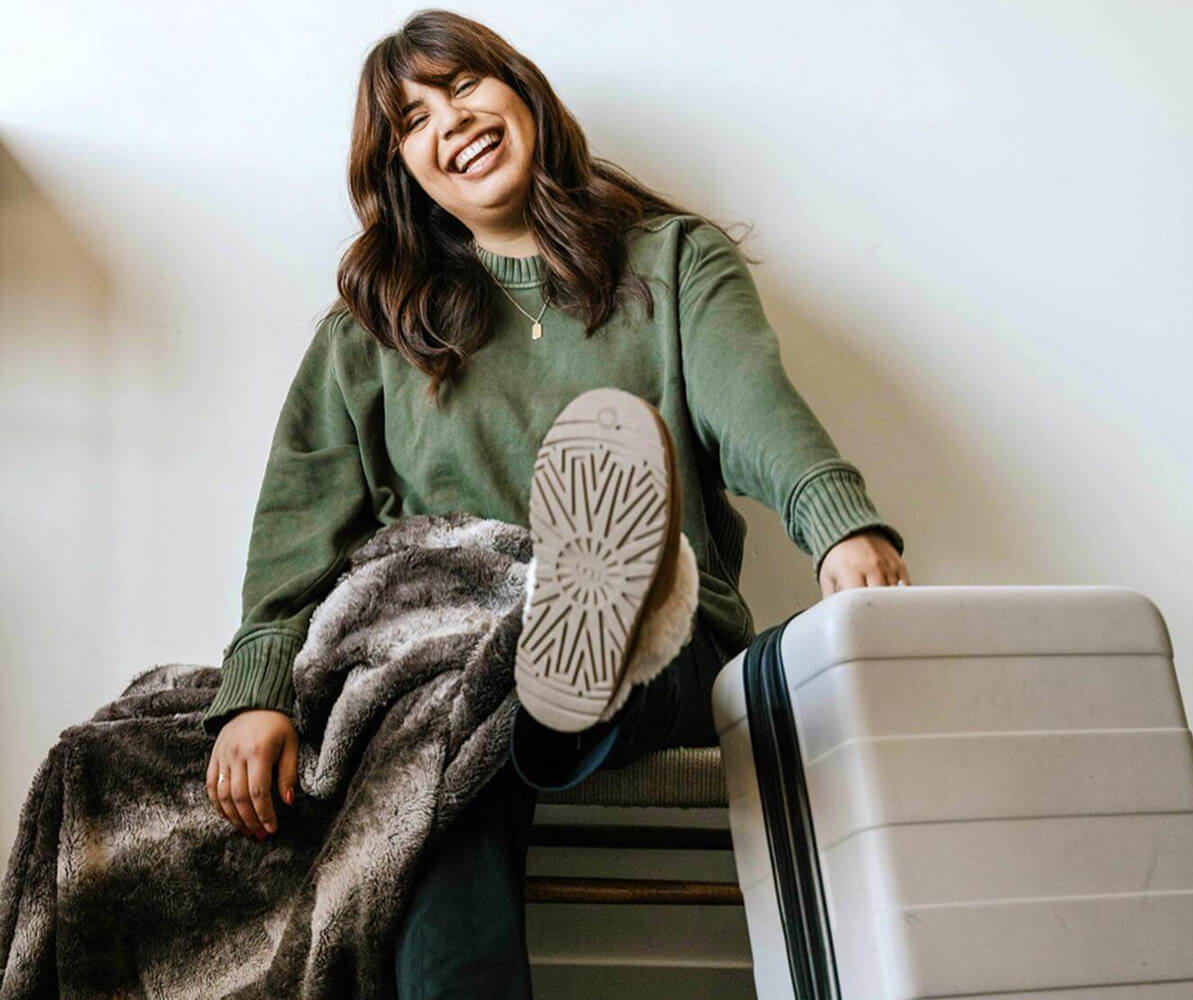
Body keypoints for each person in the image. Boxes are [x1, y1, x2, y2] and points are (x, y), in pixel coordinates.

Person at [202, 9, 911, 997]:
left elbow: (759, 414)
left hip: (663, 631)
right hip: (451, 647)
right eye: (412, 119)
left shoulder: (672, 262)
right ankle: (541, 687)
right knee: (455, 711)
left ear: (520, 92)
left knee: (473, 705)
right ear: (402, 167)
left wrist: (842, 523)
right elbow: (297, 527)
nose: (450, 120)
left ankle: (579, 649)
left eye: (464, 86)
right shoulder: (367, 334)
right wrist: (259, 689)